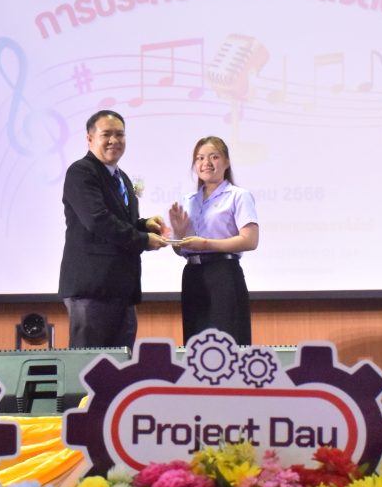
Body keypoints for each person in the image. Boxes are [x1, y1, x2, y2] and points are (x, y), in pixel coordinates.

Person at [59, 110, 169, 348]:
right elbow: (98, 220)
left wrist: (145, 224)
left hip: (121, 289)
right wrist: (143, 239)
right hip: (92, 290)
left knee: (122, 366)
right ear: (90, 138)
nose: (114, 140)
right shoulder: (81, 172)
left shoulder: (122, 178)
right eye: (106, 134)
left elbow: (121, 222)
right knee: (89, 365)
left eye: (120, 134)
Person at [169, 136, 259, 347]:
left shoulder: (238, 196)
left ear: (226, 162)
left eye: (214, 157)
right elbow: (180, 250)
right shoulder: (188, 200)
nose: (206, 163)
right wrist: (178, 236)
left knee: (227, 343)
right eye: (200, 158)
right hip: (192, 276)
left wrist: (206, 244)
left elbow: (250, 240)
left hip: (223, 274)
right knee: (195, 345)